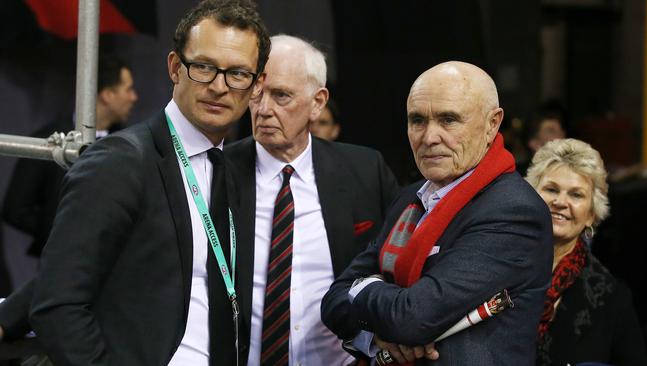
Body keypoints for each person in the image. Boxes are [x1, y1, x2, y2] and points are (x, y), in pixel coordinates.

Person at [27, 1, 271, 365]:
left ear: (256, 86)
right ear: (175, 67)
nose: (219, 87)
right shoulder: (120, 162)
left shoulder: (235, 170)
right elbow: (58, 304)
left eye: (237, 73)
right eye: (204, 67)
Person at [321, 61, 553, 365]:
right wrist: (377, 338)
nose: (429, 137)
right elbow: (333, 300)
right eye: (418, 120)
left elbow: (413, 317)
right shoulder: (411, 197)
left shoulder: (514, 210)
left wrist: (365, 287)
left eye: (448, 120)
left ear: (492, 124)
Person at [225, 34, 399, 365]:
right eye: (256, 93)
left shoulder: (364, 171)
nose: (263, 109)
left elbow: (399, 261)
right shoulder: (217, 173)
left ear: (318, 103)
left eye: (281, 96)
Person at [525, 138, 647, 366]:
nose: (560, 201)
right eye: (551, 189)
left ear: (592, 214)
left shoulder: (612, 297)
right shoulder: (497, 266)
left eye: (576, 195)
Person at [2, 55, 138, 258]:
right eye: (128, 89)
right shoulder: (49, 139)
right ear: (108, 95)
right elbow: (16, 207)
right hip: (60, 263)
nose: (133, 97)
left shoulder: (131, 144)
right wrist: (61, 232)